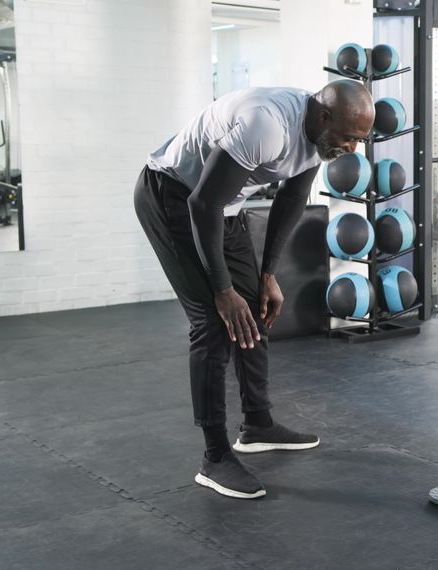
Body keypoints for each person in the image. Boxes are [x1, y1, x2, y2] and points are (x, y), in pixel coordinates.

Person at [133, 80, 374, 499]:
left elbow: (293, 197)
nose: (353, 148)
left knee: (258, 309)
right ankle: (214, 457)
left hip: (222, 209)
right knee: (212, 321)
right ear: (322, 117)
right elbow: (201, 204)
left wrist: (267, 275)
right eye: (349, 137)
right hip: (172, 195)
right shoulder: (267, 124)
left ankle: (258, 423)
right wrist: (223, 290)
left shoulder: (319, 137)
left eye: (360, 140)